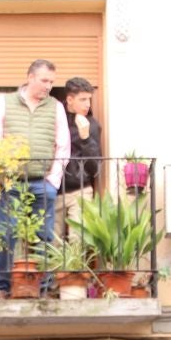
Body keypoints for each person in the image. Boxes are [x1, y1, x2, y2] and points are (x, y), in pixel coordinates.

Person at [0, 58, 69, 295]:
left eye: (52, 82)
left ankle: (42, 287)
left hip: (41, 183)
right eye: (45, 80)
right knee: (7, 234)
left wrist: (53, 180)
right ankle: (3, 287)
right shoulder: (5, 103)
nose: (48, 86)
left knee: (44, 236)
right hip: (12, 183)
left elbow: (63, 146)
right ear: (30, 77)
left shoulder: (55, 106)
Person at [56, 76, 102, 231]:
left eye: (89, 99)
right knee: (52, 244)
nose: (88, 104)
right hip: (54, 191)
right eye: (82, 99)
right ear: (69, 99)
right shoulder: (55, 119)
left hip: (80, 190)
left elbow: (95, 168)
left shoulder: (91, 125)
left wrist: (86, 138)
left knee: (79, 240)